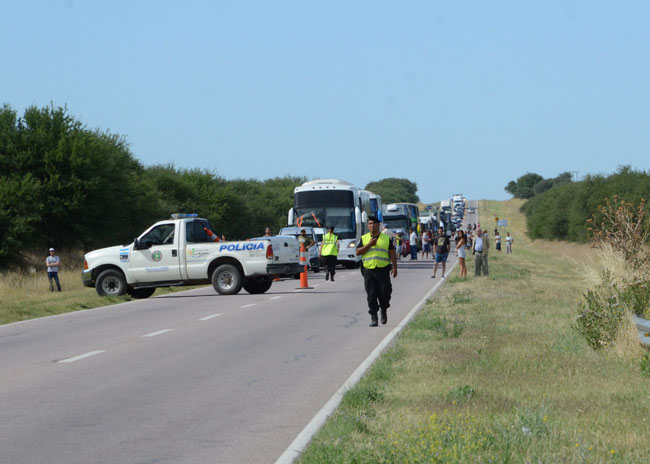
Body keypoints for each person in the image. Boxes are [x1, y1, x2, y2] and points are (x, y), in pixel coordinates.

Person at [356, 216, 398, 327]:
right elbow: (358, 252)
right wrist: (369, 245)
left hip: (383, 270)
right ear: (367, 226)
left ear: (378, 225)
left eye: (374, 223)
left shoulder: (385, 238)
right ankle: (374, 317)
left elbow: (392, 253)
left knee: (385, 293)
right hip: (369, 270)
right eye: (370, 223)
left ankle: (383, 310)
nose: (372, 225)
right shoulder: (364, 238)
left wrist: (394, 267)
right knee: (371, 295)